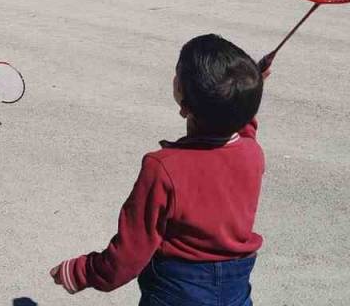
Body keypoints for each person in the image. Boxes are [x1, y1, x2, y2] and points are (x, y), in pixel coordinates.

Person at [49, 34, 265, 305]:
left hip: (176, 290)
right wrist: (248, 88)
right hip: (235, 289)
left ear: (185, 106)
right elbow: (245, 125)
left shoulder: (163, 168)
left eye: (178, 75)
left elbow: (129, 254)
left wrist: (81, 272)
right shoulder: (252, 153)